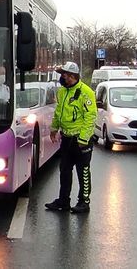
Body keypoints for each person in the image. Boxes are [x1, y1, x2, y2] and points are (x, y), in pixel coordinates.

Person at [45, 61, 97, 214]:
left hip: (81, 141)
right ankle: (63, 201)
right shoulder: (62, 92)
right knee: (65, 171)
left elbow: (90, 117)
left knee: (83, 172)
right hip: (66, 139)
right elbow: (58, 113)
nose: (62, 77)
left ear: (72, 76)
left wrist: (83, 139)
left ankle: (84, 202)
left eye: (64, 74)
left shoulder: (86, 92)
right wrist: (54, 129)